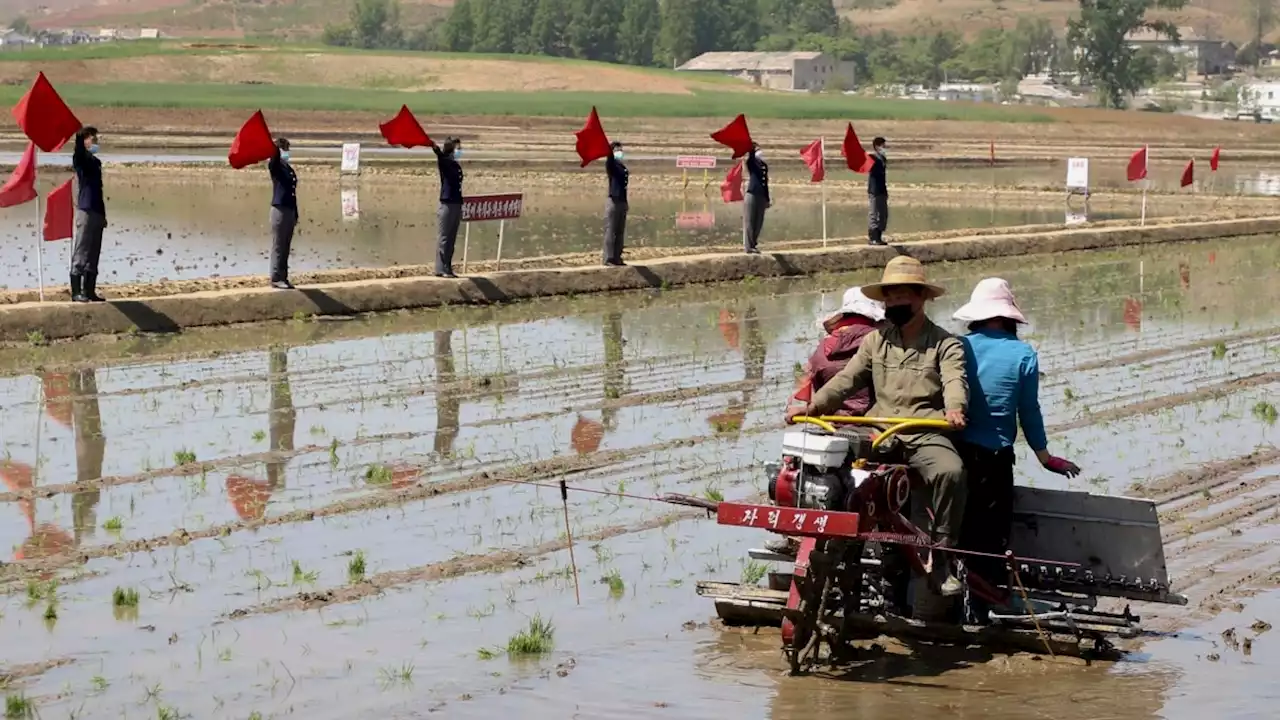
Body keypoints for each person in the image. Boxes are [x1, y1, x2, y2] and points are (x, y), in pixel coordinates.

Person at [786, 255, 968, 597]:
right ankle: (821, 540)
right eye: (890, 296)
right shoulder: (875, 341)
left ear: (921, 298)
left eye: (904, 296)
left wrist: (955, 408)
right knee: (828, 456)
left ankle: (942, 558)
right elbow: (846, 380)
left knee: (951, 472)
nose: (896, 302)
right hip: (877, 430)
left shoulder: (945, 344)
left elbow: (955, 380)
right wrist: (810, 407)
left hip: (922, 431)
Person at [952, 278, 1080, 615]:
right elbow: (1028, 412)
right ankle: (985, 604)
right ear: (1009, 318)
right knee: (990, 536)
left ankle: (951, 595)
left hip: (953, 454)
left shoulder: (956, 347)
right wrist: (1045, 457)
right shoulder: (1023, 354)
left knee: (957, 529)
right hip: (993, 460)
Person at [70, 126, 106, 303]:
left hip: (97, 211)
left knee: (94, 252)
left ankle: (89, 290)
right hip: (85, 210)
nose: (96, 142)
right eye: (92, 139)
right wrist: (80, 135)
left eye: (96, 139)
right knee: (82, 250)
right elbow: (78, 151)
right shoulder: (81, 160)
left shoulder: (96, 163)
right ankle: (76, 292)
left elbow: (98, 190)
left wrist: (103, 215)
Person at [430, 136, 465, 278]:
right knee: (444, 238)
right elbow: (439, 155)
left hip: (457, 202)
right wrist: (435, 148)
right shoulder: (444, 162)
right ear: (451, 149)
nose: (460, 150)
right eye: (458, 148)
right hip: (447, 204)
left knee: (451, 238)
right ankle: (440, 269)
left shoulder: (455, 164)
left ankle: (448, 267)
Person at [268, 137, 298, 290]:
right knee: (278, 245)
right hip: (279, 210)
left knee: (286, 245)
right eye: (284, 149)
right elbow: (273, 161)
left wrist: (295, 213)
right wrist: (274, 151)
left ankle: (284, 277)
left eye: (288, 149)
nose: (287, 152)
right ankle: (275, 277)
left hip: (289, 210)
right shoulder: (276, 166)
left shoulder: (288, 168)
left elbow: (292, 192)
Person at [603, 141, 629, 267]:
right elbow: (609, 161)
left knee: (620, 231)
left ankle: (617, 257)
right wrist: (609, 152)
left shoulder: (622, 166)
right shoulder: (612, 165)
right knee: (611, 230)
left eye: (621, 150)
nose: (620, 152)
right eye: (617, 150)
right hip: (613, 200)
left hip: (622, 201)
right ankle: (609, 258)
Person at [743, 142, 769, 254]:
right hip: (752, 194)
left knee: (759, 222)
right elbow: (751, 158)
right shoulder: (752, 163)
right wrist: (751, 148)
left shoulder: (764, 165)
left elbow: (765, 183)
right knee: (750, 221)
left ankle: (754, 244)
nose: (760, 151)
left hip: (761, 196)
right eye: (757, 149)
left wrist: (767, 198)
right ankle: (749, 247)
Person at [868, 136, 888, 247]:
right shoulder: (872, 158)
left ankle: (879, 236)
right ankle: (873, 238)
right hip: (874, 190)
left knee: (883, 214)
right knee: (874, 214)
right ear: (877, 146)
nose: (884, 148)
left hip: (882, 189)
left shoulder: (883, 159)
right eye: (883, 146)